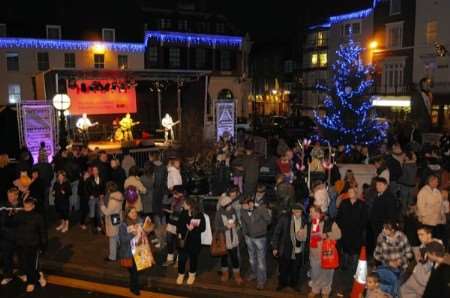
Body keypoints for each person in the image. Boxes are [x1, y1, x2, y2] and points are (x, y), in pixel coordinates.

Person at [307, 205, 341, 298]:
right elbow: (304, 236)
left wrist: (326, 235)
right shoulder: (310, 223)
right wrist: (299, 233)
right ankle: (315, 289)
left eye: (311, 212)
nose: (310, 214)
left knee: (327, 274)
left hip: (327, 254)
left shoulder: (329, 223)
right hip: (314, 254)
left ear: (318, 213)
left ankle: (326, 290)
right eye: (310, 212)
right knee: (315, 273)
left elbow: (338, 234)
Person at [118, 207, 154, 295]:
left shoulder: (140, 220)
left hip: (140, 249)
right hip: (129, 252)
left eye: (135, 212)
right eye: (132, 213)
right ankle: (135, 289)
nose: (134, 214)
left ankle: (133, 285)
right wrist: (134, 235)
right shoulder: (124, 224)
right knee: (134, 271)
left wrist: (147, 229)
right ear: (127, 214)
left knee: (137, 271)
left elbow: (145, 232)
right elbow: (123, 239)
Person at [14, 197, 47, 293]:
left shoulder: (38, 217)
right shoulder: (20, 214)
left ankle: (31, 282)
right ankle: (39, 276)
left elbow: (43, 232)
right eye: (25, 207)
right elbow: (12, 224)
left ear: (33, 206)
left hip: (33, 245)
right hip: (21, 244)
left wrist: (43, 245)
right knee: (24, 264)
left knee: (31, 265)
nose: (26, 209)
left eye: (28, 207)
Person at [271, 202, 306, 292]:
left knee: (295, 269)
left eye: (300, 212)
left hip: (298, 249)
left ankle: (294, 284)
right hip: (286, 248)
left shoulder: (304, 220)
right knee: (283, 268)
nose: (298, 214)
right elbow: (277, 233)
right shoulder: (285, 219)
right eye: (297, 211)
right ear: (293, 211)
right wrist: (275, 247)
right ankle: (282, 283)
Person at [240, 196, 271, 290]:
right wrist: (245, 234)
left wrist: (260, 208)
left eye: (245, 205)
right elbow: (244, 223)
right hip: (249, 238)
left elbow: (269, 220)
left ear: (250, 203)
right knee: (252, 259)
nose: (243, 206)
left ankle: (261, 281)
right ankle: (254, 274)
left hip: (260, 238)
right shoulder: (243, 211)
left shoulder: (261, 209)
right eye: (242, 205)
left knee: (261, 261)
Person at [336, 187, 368, 271]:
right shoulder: (344, 203)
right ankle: (345, 265)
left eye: (351, 192)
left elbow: (365, 218)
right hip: (345, 230)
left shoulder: (362, 204)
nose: (349, 193)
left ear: (356, 193)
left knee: (355, 249)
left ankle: (354, 266)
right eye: (349, 191)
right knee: (345, 247)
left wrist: (360, 227)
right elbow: (339, 216)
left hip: (357, 231)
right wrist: (341, 226)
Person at [176, 198, 206, 286]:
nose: (183, 205)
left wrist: (193, 229)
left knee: (193, 258)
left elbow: (203, 228)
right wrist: (182, 231)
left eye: (184, 204)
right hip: (184, 241)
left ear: (190, 205)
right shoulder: (183, 213)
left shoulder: (199, 215)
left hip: (194, 241)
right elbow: (179, 225)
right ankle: (180, 274)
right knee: (181, 259)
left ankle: (192, 275)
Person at [215, 194, 243, 285]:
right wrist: (226, 227)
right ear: (224, 206)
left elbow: (238, 222)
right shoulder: (219, 213)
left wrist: (236, 225)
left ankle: (237, 276)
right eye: (229, 204)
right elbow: (216, 228)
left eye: (231, 203)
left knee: (235, 258)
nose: (231, 206)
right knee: (224, 258)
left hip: (233, 239)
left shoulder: (233, 210)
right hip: (224, 240)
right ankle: (225, 274)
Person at [416, 174, 447, 244]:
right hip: (427, 221)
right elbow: (420, 207)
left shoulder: (437, 191)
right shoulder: (423, 192)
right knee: (428, 240)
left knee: (436, 239)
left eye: (437, 182)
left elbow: (440, 204)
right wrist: (426, 215)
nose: (437, 183)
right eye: (436, 182)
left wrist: (442, 215)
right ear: (430, 182)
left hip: (437, 220)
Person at [0, 188, 22, 285]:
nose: (9, 198)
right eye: (8, 196)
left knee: (21, 256)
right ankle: (8, 276)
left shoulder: (22, 206)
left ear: (17, 196)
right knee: (7, 256)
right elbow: (2, 221)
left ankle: (22, 273)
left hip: (19, 236)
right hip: (6, 236)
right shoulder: (3, 206)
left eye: (12, 196)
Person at [100, 181, 124, 262]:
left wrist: (102, 206)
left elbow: (107, 212)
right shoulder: (119, 195)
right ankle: (122, 250)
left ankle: (112, 257)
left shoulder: (113, 200)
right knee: (117, 236)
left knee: (112, 239)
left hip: (112, 220)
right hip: (118, 218)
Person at [369, 177, 397, 244]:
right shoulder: (379, 195)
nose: (377, 187)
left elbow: (391, 214)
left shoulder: (389, 197)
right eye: (377, 185)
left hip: (383, 227)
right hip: (378, 226)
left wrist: (388, 228)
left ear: (386, 185)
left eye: (380, 185)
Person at [163, 185, 185, 267]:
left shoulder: (184, 200)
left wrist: (171, 212)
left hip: (179, 224)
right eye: (173, 192)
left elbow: (181, 213)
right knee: (169, 241)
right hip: (171, 222)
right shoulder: (174, 198)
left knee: (178, 242)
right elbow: (165, 202)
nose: (174, 194)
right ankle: (169, 259)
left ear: (181, 193)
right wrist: (167, 193)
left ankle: (178, 260)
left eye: (176, 193)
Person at [86, 166, 106, 233]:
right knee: (92, 213)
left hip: (100, 198)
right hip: (92, 198)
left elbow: (104, 188)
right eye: (93, 170)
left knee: (101, 213)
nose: (94, 171)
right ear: (92, 171)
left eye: (96, 170)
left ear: (98, 171)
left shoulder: (102, 179)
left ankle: (101, 227)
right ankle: (93, 228)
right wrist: (89, 196)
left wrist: (103, 194)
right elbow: (86, 189)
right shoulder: (89, 179)